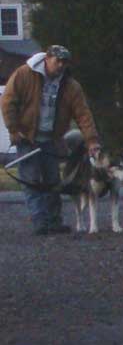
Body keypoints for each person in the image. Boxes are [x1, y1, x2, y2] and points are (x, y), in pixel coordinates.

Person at [1, 45, 100, 235]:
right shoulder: (24, 74)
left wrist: (91, 140)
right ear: (47, 58)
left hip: (51, 141)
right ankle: (40, 221)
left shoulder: (71, 86)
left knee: (52, 181)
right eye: (58, 61)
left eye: (64, 62)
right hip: (27, 138)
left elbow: (83, 114)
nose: (61, 65)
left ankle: (54, 221)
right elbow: (7, 101)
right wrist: (14, 129)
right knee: (31, 181)